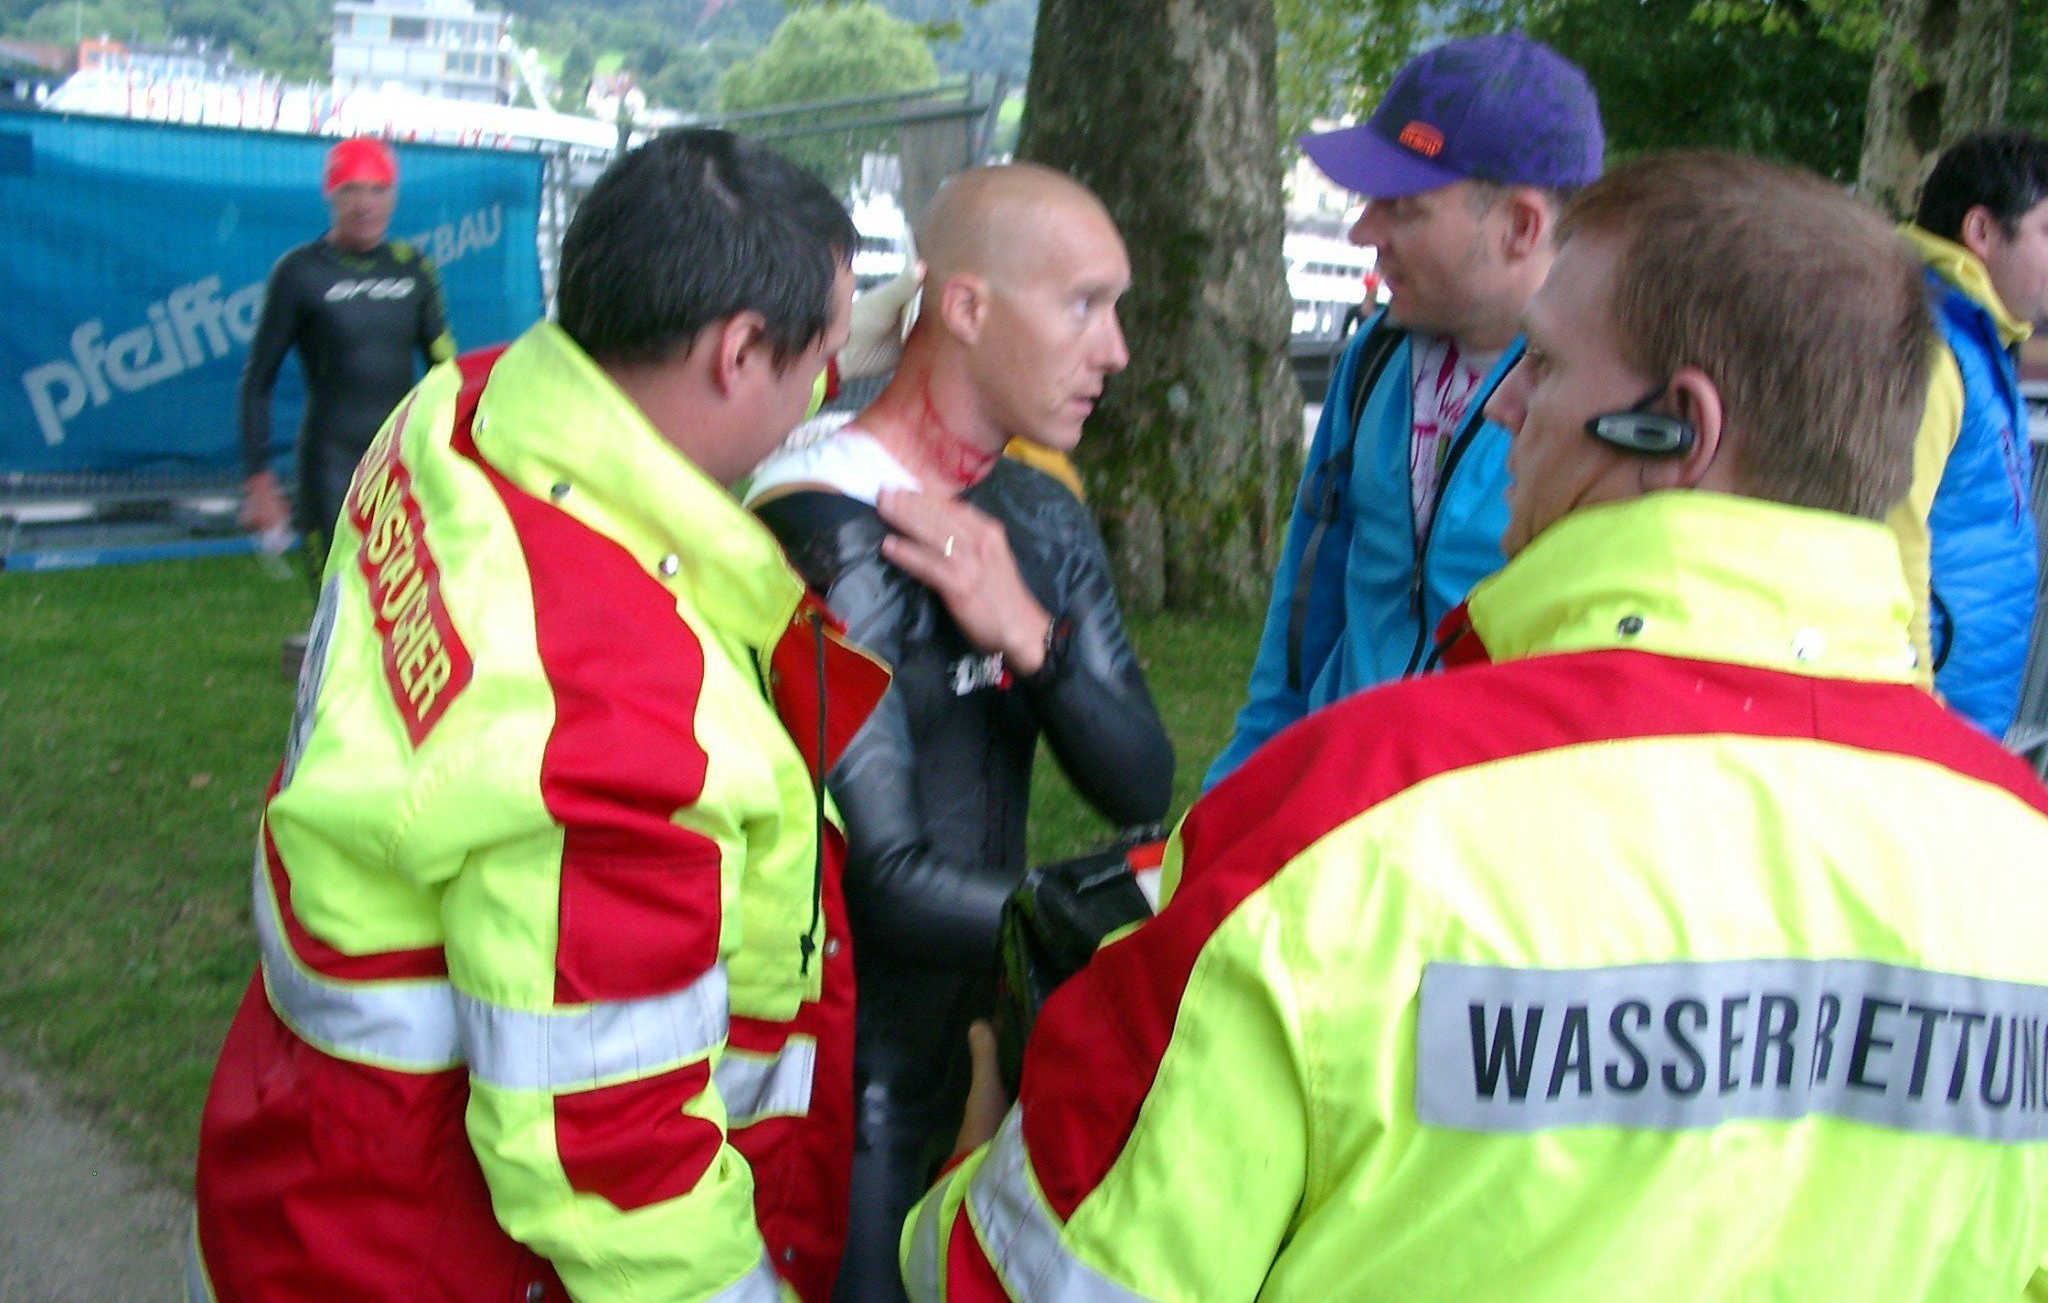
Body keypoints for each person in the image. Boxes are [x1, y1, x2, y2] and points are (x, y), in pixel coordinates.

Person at [904, 151, 2048, 1302]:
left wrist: (972, 1148)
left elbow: (1032, 1280)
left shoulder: (1347, 821)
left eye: (1541, 365)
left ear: (1675, 430)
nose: (1501, 405)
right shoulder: (2021, 853)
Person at [192, 129, 890, 1303]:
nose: (827, 390)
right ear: (735, 355)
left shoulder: (455, 413)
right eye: (818, 358)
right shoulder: (617, 730)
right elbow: (613, 1160)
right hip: (429, 1259)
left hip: (303, 1157)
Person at [747, 162, 1174, 1303]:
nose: (1115, 350)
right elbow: (880, 884)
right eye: (1084, 305)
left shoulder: (1032, 509)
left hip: (979, 1054)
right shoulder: (829, 519)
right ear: (970, 308)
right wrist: (1136, 928)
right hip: (850, 1083)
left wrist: (1028, 638)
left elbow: (1138, 775)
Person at [1206, 30, 1603, 787]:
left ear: (1521, 227)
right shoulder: (1376, 357)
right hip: (1332, 799)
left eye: (1404, 209)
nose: (1364, 234)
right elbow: (1304, 612)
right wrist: (1239, 793)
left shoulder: (1606, 409)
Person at [1889, 130, 2048, 739]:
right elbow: (1892, 534)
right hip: (1925, 724)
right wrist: (1913, 708)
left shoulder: (1979, 339)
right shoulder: (1931, 344)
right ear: (1980, 232)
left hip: (1958, 714)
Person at [239, 136, 454, 572]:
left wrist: (456, 450)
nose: (364, 204)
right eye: (351, 190)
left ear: (393, 198)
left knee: (402, 608)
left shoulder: (412, 268)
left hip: (400, 459)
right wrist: (259, 480)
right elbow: (257, 381)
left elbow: (444, 371)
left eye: (377, 190)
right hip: (330, 464)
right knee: (335, 606)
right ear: (330, 196)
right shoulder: (299, 273)